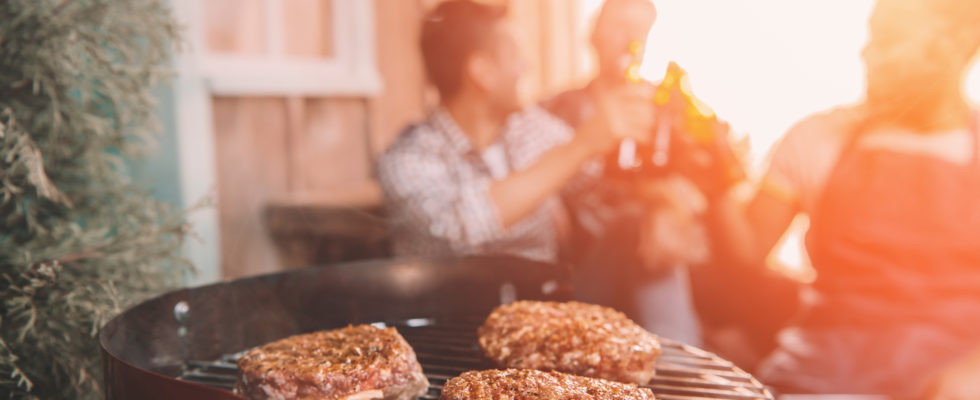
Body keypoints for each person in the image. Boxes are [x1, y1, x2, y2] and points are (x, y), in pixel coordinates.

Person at [708, 0, 980, 397]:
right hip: (821, 378)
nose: (866, 53)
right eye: (871, 38)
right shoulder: (817, 138)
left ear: (956, 44)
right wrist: (718, 174)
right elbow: (749, 250)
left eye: (888, 40)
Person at [378, 1, 653, 264]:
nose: (526, 66)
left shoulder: (529, 127)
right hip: (453, 308)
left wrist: (666, 201)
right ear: (482, 71)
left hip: (542, 305)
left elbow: (596, 179)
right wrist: (579, 147)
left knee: (647, 235)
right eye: (514, 54)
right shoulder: (408, 156)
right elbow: (454, 230)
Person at [543, 0, 707, 345]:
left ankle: (681, 357)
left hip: (652, 258)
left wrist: (668, 205)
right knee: (636, 222)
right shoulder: (552, 114)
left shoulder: (668, 113)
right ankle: (683, 365)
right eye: (620, 27)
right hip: (578, 273)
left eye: (641, 31)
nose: (631, 40)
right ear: (593, 34)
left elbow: (694, 192)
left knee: (647, 225)